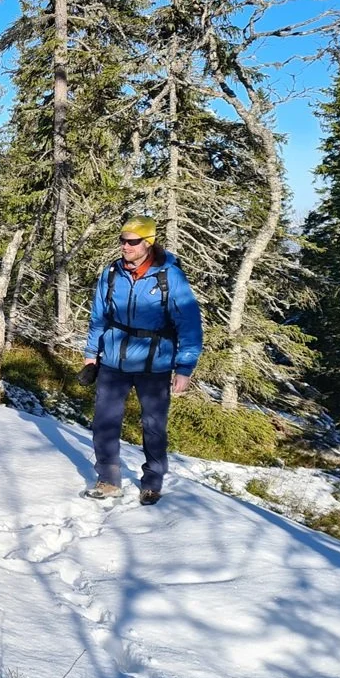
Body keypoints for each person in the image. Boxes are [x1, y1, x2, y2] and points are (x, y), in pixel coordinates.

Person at [80, 216, 203, 505]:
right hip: (112, 361)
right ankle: (108, 479)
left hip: (155, 364)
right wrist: (90, 354)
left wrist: (184, 368)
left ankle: (152, 481)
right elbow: (98, 317)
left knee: (153, 425)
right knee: (104, 423)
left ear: (148, 243)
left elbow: (189, 324)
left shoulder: (169, 276)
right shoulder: (111, 273)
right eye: (122, 240)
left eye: (132, 241)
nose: (125, 246)